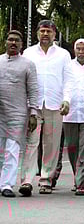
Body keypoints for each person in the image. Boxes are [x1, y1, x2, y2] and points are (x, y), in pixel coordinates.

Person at [19, 20, 73, 196]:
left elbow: (68, 80)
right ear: (37, 33)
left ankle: (46, 179)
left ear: (54, 34)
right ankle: (27, 180)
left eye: (48, 31)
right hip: (33, 105)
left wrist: (67, 100)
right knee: (31, 143)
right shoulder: (28, 53)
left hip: (55, 103)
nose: (45, 34)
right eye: (42, 31)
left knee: (51, 144)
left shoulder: (63, 55)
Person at [0, 30, 39, 197]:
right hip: (0, 113)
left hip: (18, 114)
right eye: (10, 40)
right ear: (5, 42)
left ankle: (7, 185)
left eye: (17, 40)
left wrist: (33, 113)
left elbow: (33, 90)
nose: (13, 43)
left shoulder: (27, 64)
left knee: (12, 150)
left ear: (22, 45)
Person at [62, 38, 84, 196]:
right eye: (78, 49)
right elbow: (65, 85)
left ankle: (80, 182)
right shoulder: (68, 66)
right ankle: (78, 175)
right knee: (73, 146)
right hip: (70, 112)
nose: (81, 52)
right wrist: (65, 102)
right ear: (74, 50)